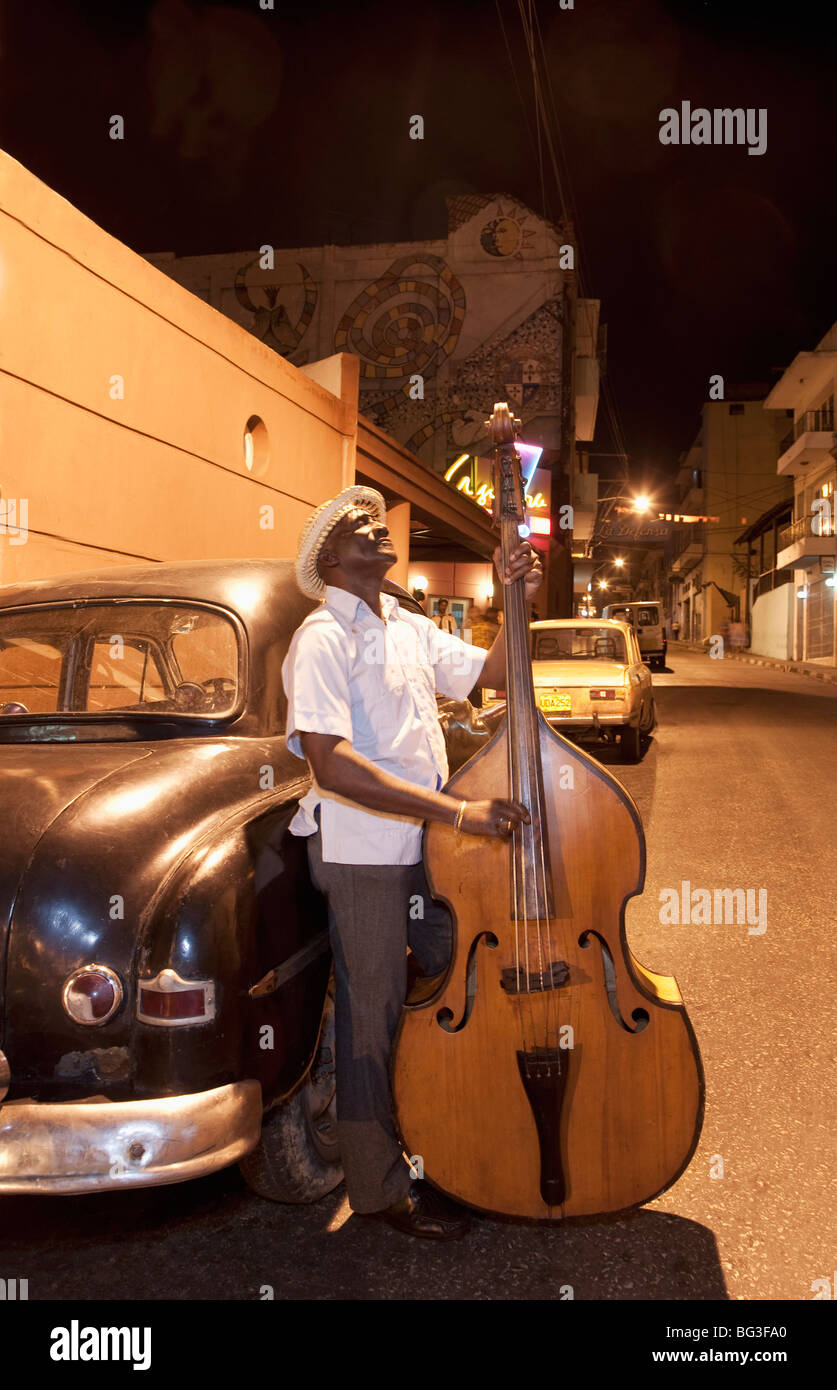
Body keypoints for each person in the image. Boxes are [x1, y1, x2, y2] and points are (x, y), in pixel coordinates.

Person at [282, 484, 541, 1240]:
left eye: (377, 518)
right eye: (357, 525)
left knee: (457, 975)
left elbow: (492, 674)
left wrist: (512, 588)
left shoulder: (404, 625)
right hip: (362, 852)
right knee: (374, 1014)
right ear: (331, 558)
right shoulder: (321, 638)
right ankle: (377, 1188)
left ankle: (448, 1145)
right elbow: (334, 766)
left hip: (422, 846)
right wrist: (459, 812)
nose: (376, 526)